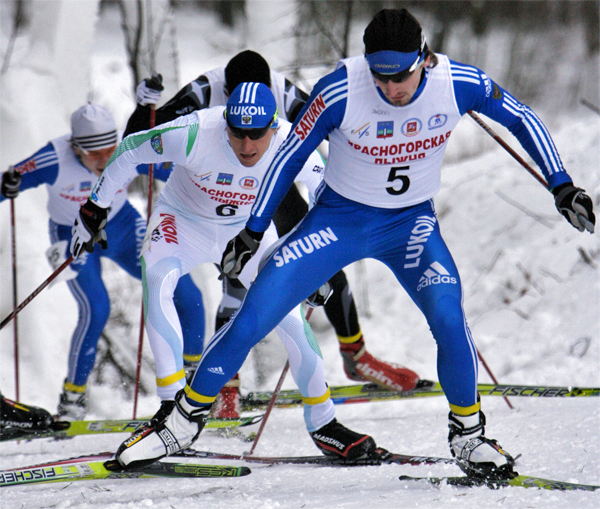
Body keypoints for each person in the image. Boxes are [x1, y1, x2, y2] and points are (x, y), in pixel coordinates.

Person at [111, 9, 596, 479]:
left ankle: (468, 433)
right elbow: (289, 155)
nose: (388, 88)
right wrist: (254, 229)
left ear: (423, 58)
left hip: (410, 226)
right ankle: (181, 422)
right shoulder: (340, 88)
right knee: (256, 311)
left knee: (449, 315)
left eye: (399, 77)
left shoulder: (456, 82)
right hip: (339, 221)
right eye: (378, 76)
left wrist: (561, 185)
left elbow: (521, 117)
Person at [71, 83, 377, 465]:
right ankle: (171, 408)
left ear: (273, 126)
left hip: (246, 233)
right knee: (158, 280)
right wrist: (93, 208)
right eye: (237, 134)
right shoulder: (196, 131)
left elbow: (328, 196)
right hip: (181, 223)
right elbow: (131, 149)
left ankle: (325, 424)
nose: (247, 146)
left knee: (291, 319)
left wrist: (318, 260)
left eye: (257, 135)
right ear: (226, 124)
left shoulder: (292, 141)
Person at [127, 49, 420, 410]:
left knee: (322, 260)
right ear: (227, 90)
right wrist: (145, 108)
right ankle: (225, 386)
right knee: (238, 283)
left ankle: (355, 355)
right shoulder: (205, 89)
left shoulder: (281, 90)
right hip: (218, 191)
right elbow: (138, 141)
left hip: (275, 184)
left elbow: (332, 130)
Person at [0, 103, 205, 421]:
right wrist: (7, 184)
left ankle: (196, 385)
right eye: (94, 154)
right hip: (73, 234)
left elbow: (178, 168)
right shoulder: (54, 157)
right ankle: (72, 401)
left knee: (180, 285)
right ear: (75, 147)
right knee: (96, 309)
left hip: (122, 225)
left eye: (110, 150)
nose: (105, 160)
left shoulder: (127, 147)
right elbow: (11, 180)